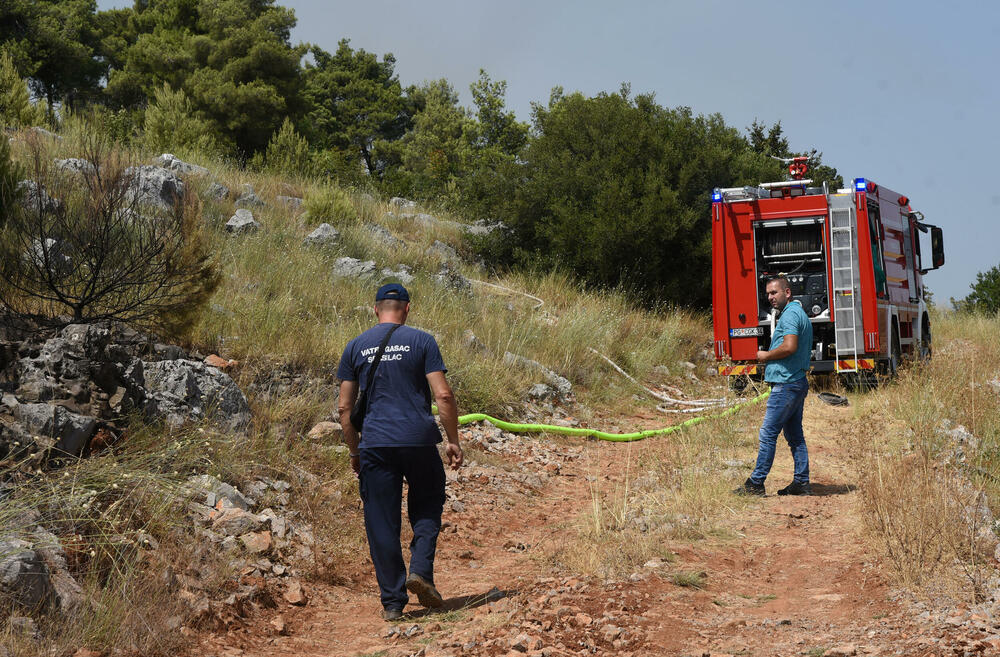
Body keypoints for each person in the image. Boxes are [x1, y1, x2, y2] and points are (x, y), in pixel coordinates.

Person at [336, 283, 463, 621]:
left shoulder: (355, 347)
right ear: (407, 309)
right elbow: (444, 396)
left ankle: (393, 603)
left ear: (376, 309)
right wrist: (453, 439)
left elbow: (344, 408)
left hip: (375, 443)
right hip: (419, 439)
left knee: (381, 521)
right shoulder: (422, 341)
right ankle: (420, 569)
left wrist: (354, 451)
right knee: (427, 503)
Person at [735, 275, 813, 497]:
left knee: (768, 433)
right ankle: (801, 483)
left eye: (774, 292)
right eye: (768, 293)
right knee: (795, 436)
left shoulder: (790, 316)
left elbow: (789, 347)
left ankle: (756, 484)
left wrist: (765, 356)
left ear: (787, 292)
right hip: (796, 382)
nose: (770, 297)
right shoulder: (799, 313)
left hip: (786, 384)